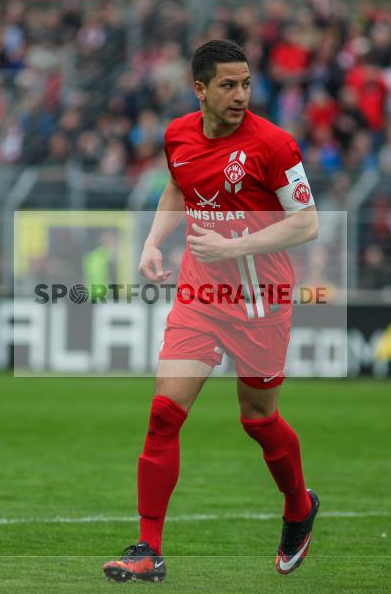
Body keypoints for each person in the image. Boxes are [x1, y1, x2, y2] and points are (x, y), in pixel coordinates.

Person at [102, 40, 320, 583]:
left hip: (259, 302)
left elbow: (307, 222)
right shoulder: (177, 134)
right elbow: (179, 187)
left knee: (258, 420)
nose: (240, 94)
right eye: (228, 84)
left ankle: (299, 506)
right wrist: (153, 242)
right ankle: (147, 549)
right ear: (199, 89)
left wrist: (233, 247)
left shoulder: (274, 145)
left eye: (246, 83)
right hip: (200, 296)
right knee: (163, 414)